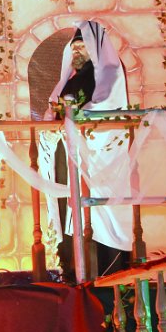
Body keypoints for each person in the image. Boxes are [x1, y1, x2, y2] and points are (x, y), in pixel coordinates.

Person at [43, 21, 132, 279]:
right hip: (70, 155)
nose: (77, 51)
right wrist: (54, 124)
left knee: (101, 212)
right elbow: (56, 111)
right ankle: (74, 273)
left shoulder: (110, 73)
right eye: (75, 47)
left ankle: (108, 274)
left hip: (100, 157)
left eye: (83, 46)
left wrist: (74, 120)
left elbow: (106, 106)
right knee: (73, 211)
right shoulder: (71, 81)